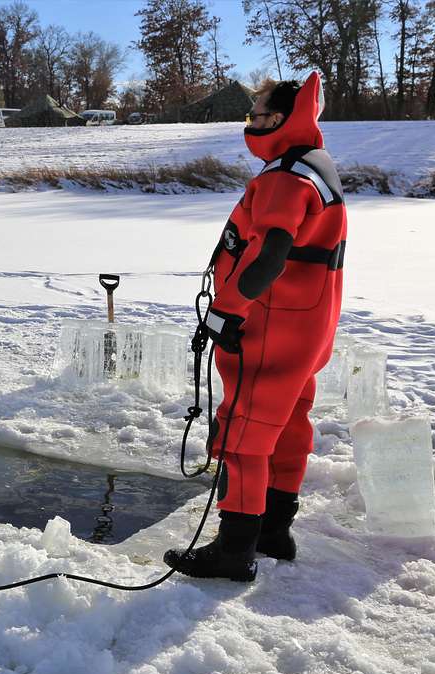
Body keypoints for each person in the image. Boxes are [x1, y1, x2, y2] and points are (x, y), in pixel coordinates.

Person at [164, 72, 347, 582]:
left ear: (284, 119)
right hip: (308, 328)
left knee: (243, 433)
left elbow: (269, 254)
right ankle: (273, 531)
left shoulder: (285, 176)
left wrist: (227, 309)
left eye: (258, 114)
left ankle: (233, 550)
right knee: (287, 426)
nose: (251, 122)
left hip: (273, 324)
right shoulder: (316, 165)